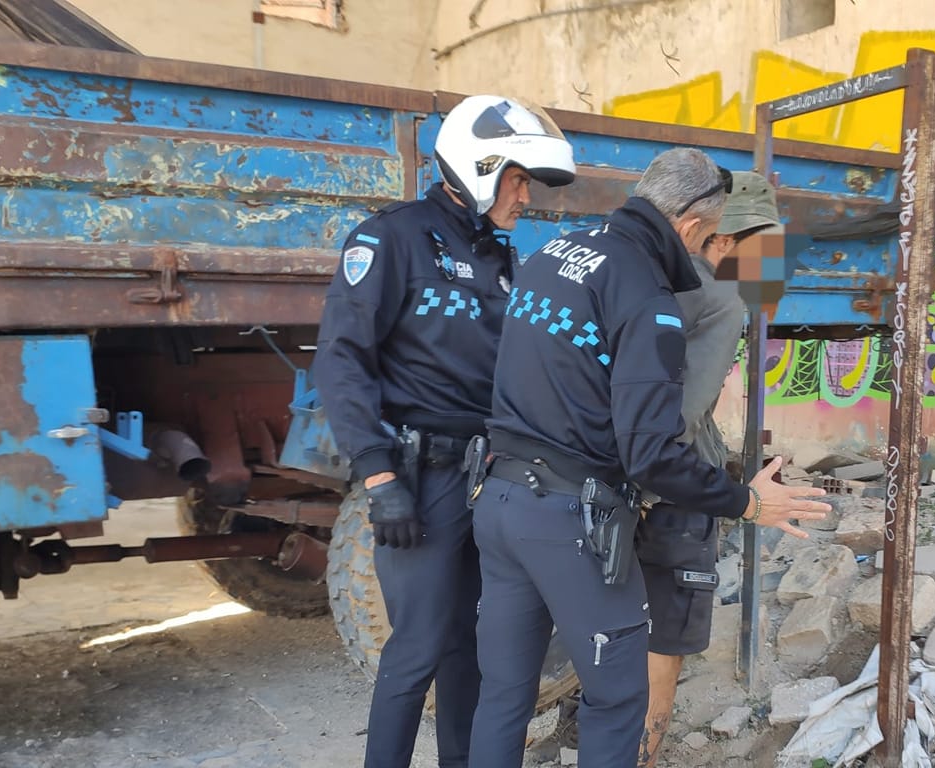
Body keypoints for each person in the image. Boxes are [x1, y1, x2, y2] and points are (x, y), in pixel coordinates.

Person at [466, 148, 831, 768]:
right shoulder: (664, 291)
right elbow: (664, 437)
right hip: (580, 512)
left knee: (503, 692)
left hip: (499, 497)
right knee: (620, 694)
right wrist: (744, 502)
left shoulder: (558, 253)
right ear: (698, 228)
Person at [311, 94, 576, 768]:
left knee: (470, 646)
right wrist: (378, 476)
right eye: (518, 179)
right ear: (481, 168)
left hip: (485, 480)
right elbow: (342, 363)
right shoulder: (391, 238)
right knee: (418, 648)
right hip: (416, 481)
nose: (525, 197)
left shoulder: (500, 258)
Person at [633, 170, 782, 768]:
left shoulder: (637, 275)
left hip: (605, 486)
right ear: (725, 238)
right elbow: (681, 414)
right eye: (764, 247)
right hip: (670, 492)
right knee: (662, 644)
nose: (769, 265)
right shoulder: (721, 297)